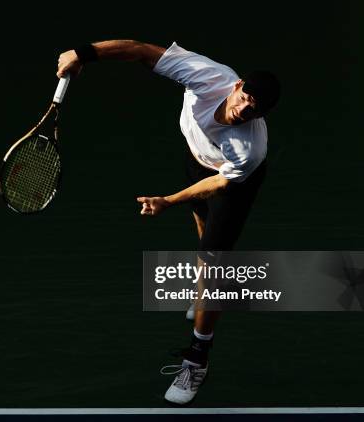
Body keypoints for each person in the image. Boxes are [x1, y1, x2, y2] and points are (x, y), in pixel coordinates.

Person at [57, 40, 280, 405]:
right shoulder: (209, 77)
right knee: (202, 234)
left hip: (229, 184)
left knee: (213, 265)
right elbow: (139, 50)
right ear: (237, 86)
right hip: (197, 159)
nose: (243, 110)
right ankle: (204, 297)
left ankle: (198, 358)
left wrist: (168, 200)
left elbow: (219, 185)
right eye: (244, 98)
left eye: (254, 110)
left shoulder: (248, 149)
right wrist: (84, 53)